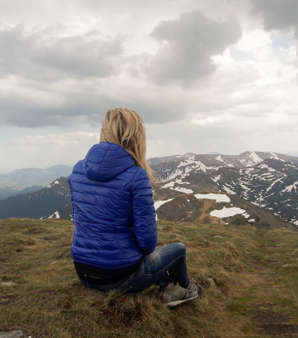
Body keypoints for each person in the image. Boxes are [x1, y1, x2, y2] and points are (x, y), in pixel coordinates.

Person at [68, 108, 202, 307]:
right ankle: (183, 289)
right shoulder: (136, 176)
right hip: (120, 276)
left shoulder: (79, 169)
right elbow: (147, 243)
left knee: (148, 260)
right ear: (136, 136)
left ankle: (167, 283)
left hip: (84, 271)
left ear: (104, 131)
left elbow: (82, 218)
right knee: (178, 250)